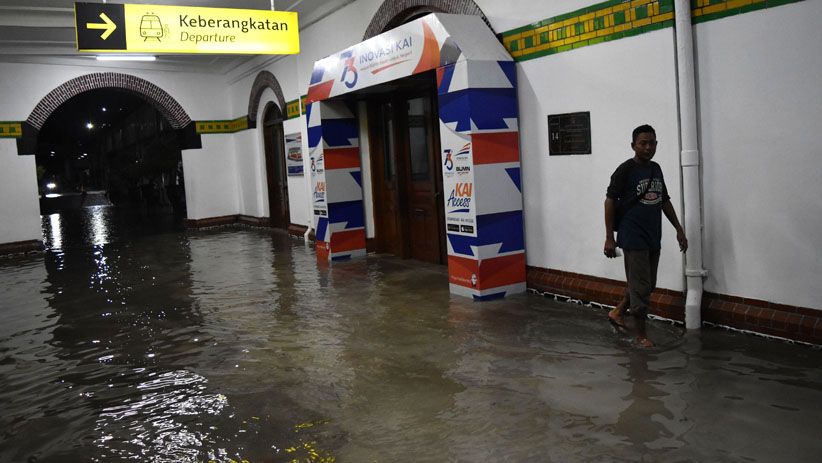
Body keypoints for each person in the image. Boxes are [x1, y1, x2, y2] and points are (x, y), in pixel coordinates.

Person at [604, 124, 687, 347]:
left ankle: (617, 312)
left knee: (647, 285)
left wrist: (679, 229)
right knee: (641, 288)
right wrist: (609, 237)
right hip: (633, 235)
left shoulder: (656, 169)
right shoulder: (625, 170)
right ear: (633, 145)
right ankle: (641, 335)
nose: (648, 147)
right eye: (643, 143)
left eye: (652, 143)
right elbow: (609, 201)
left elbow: (664, 200)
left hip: (653, 235)